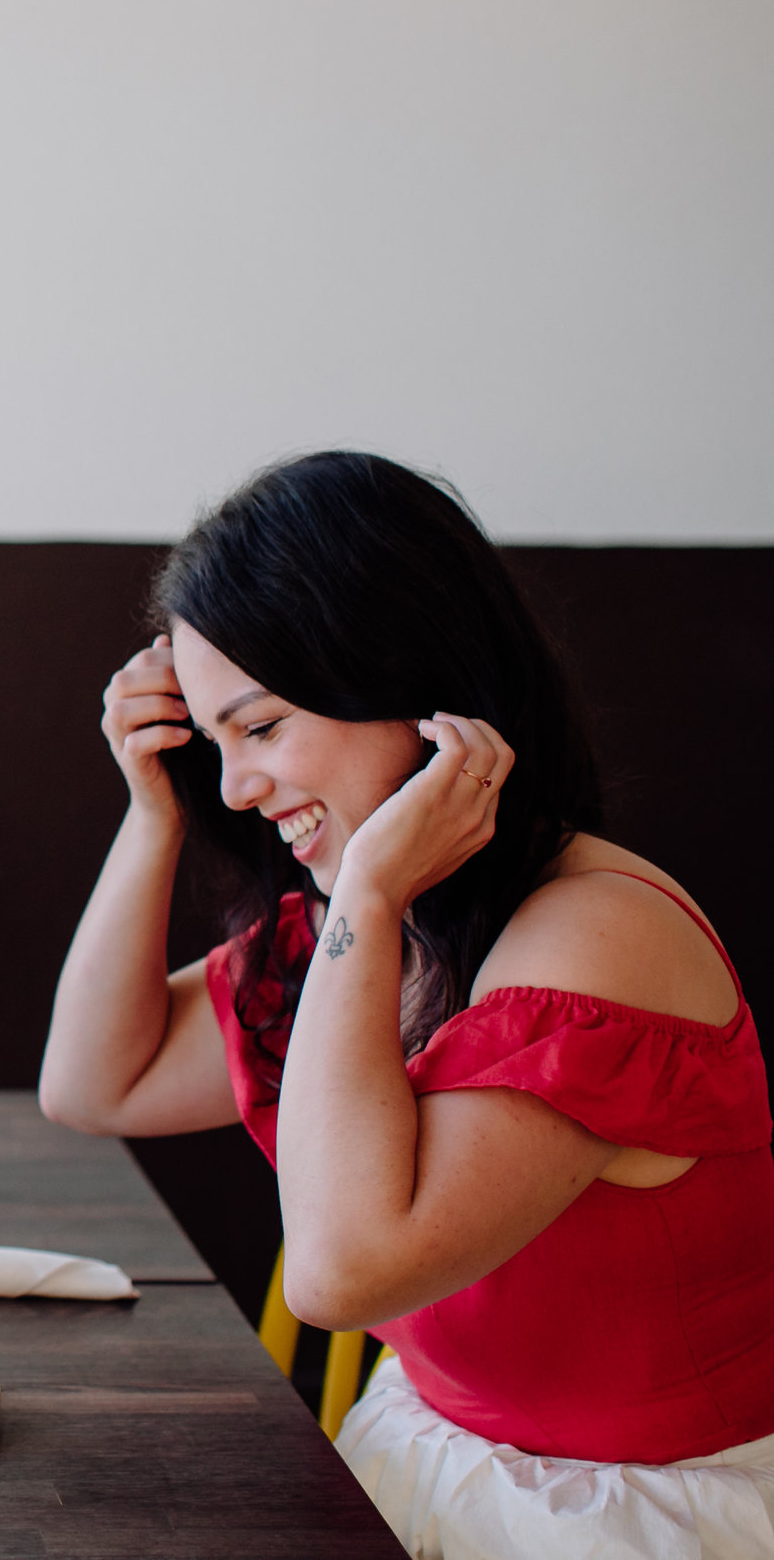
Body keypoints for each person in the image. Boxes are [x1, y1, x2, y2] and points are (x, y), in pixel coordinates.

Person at [38, 451, 774, 1558]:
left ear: (407, 678)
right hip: (425, 1452)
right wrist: (154, 810)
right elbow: (97, 1082)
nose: (235, 785)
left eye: (263, 726)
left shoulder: (593, 936)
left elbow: (340, 1270)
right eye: (211, 738)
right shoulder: (384, 926)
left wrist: (370, 890)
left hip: (631, 1515)